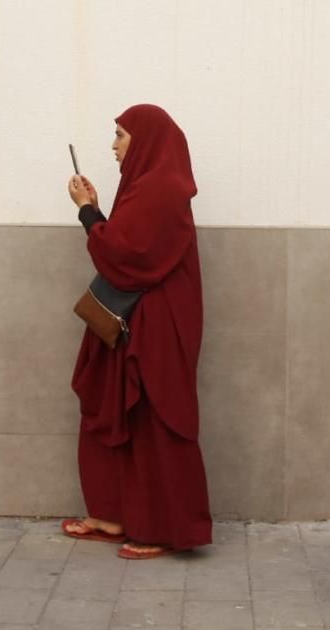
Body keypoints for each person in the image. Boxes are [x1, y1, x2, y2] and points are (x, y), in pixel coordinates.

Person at [61, 104, 212, 559]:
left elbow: (126, 258)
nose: (114, 145)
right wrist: (98, 211)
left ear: (145, 140)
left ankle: (162, 528)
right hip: (137, 320)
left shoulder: (162, 189)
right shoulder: (150, 187)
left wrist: (88, 213)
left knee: (153, 419)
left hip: (157, 326)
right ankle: (114, 514)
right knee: (117, 413)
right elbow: (130, 245)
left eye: (121, 135)